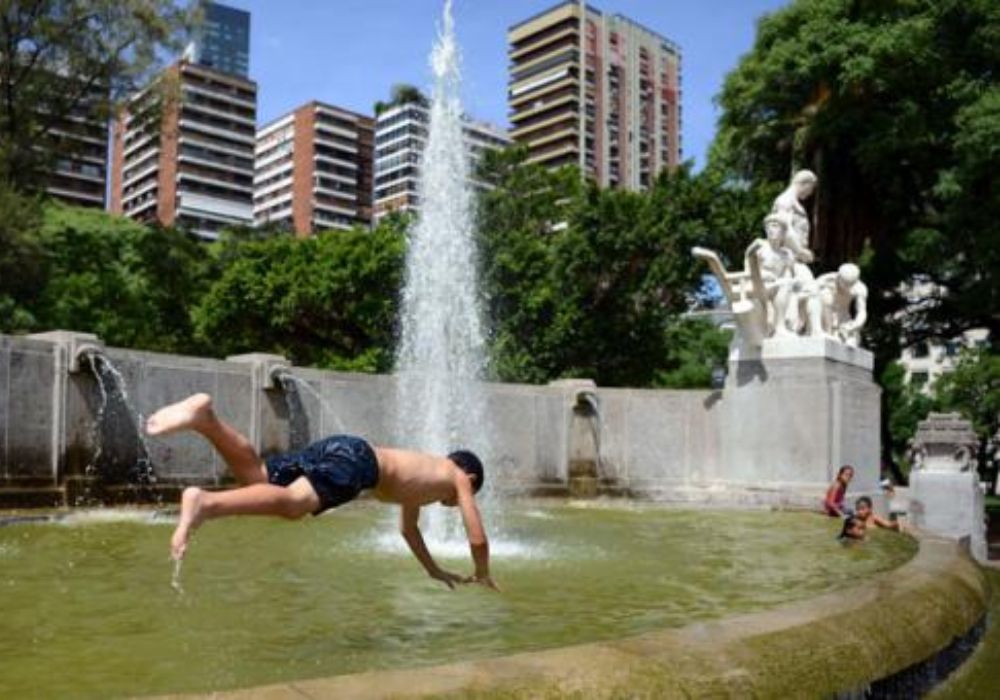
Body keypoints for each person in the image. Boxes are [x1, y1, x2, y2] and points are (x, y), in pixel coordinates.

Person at [145, 393, 498, 591]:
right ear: (470, 476)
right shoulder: (457, 476)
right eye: (468, 493)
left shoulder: (421, 483)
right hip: (360, 463)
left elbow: (409, 530)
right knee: (294, 505)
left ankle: (206, 420)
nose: (456, 503)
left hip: (344, 448)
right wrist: (482, 571)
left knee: (257, 477)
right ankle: (205, 503)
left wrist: (433, 570)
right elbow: (478, 537)